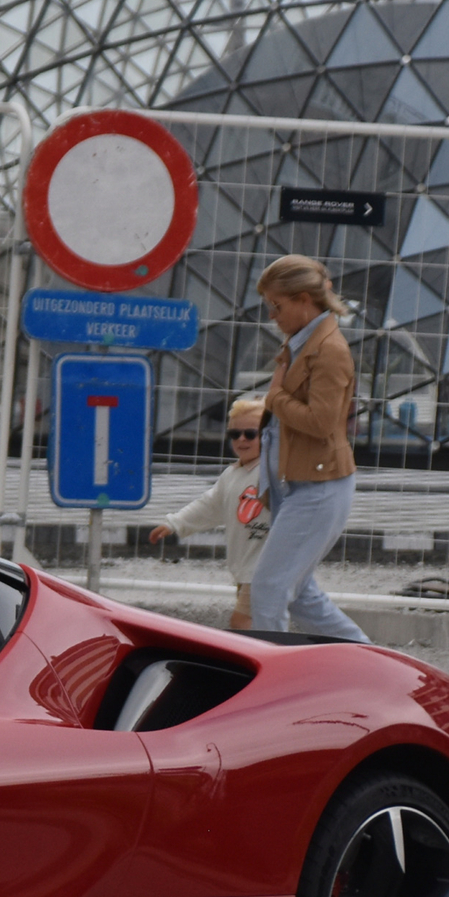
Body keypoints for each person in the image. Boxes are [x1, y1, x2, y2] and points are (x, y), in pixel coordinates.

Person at [246, 254, 367, 642]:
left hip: (317, 489)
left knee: (268, 589)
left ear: (302, 299)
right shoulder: (303, 341)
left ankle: (270, 684)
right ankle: (368, 665)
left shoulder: (329, 349)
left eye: (276, 306)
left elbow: (322, 422)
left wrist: (275, 398)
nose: (272, 316)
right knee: (300, 595)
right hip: (297, 484)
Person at [147, 398, 271, 630]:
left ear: (268, 435)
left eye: (250, 433)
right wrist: (175, 523)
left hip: (264, 567)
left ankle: (249, 661)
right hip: (244, 567)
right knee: (262, 625)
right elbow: (210, 505)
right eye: (234, 434)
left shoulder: (273, 472)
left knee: (243, 621)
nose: (241, 439)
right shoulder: (232, 474)